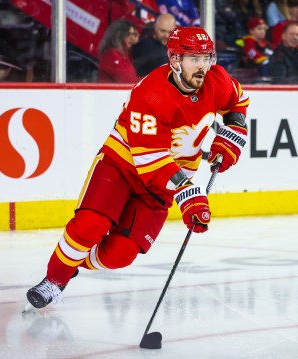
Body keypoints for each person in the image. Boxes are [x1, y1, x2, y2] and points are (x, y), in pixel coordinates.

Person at [26, 26, 250, 309]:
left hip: (165, 182)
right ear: (175, 60)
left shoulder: (216, 80)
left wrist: (232, 134)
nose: (203, 66)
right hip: (122, 166)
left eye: (207, 58)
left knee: (120, 255)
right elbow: (151, 159)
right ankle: (55, 279)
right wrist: (187, 192)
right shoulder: (152, 94)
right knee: (90, 226)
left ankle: (74, 260)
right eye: (195, 59)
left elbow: (238, 101)